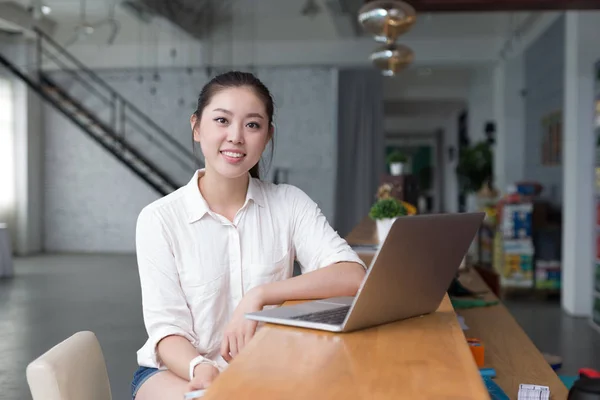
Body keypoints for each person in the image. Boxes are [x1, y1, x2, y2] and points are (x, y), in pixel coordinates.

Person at [130, 71, 367, 400]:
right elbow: (166, 331)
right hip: (180, 371)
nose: (236, 136)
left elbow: (353, 275)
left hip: (266, 371)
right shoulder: (159, 219)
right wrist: (202, 368)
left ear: (268, 136)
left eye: (252, 125)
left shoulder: (289, 202)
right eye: (222, 121)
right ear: (197, 127)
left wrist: (260, 294)